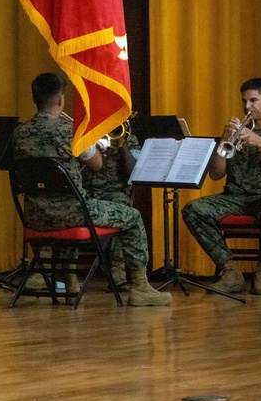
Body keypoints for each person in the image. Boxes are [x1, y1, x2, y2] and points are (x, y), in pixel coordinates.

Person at [10, 72, 171, 307]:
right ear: (60, 100)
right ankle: (139, 287)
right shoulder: (73, 133)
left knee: (74, 208)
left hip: (35, 217)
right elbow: (97, 165)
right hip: (72, 214)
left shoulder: (19, 133)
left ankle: (71, 284)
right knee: (133, 217)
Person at [182, 78, 261, 295]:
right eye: (244, 101)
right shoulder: (238, 134)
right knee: (193, 209)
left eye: (253, 100)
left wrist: (260, 143)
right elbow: (216, 173)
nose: (247, 106)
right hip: (236, 198)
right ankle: (230, 273)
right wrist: (224, 140)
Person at [82, 123, 140, 289]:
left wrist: (122, 144)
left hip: (113, 193)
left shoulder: (130, 138)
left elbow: (132, 172)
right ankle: (61, 276)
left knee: (124, 209)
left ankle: (118, 273)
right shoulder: (86, 133)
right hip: (84, 193)